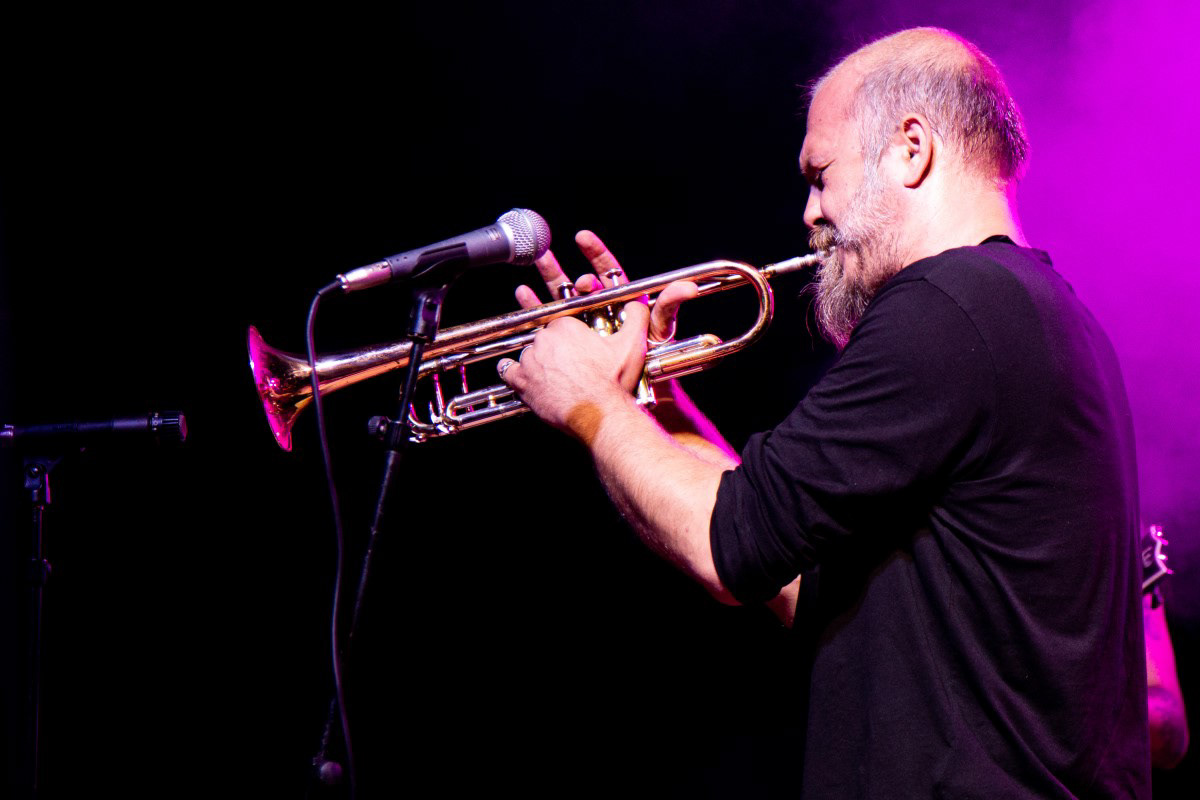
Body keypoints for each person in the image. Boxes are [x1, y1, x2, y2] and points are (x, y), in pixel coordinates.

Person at [500, 27, 1150, 797]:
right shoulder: (1034, 314)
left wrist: (588, 399)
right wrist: (648, 398)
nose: (810, 212)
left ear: (911, 149)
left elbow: (726, 546)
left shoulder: (951, 303)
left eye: (821, 175)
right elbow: (792, 571)